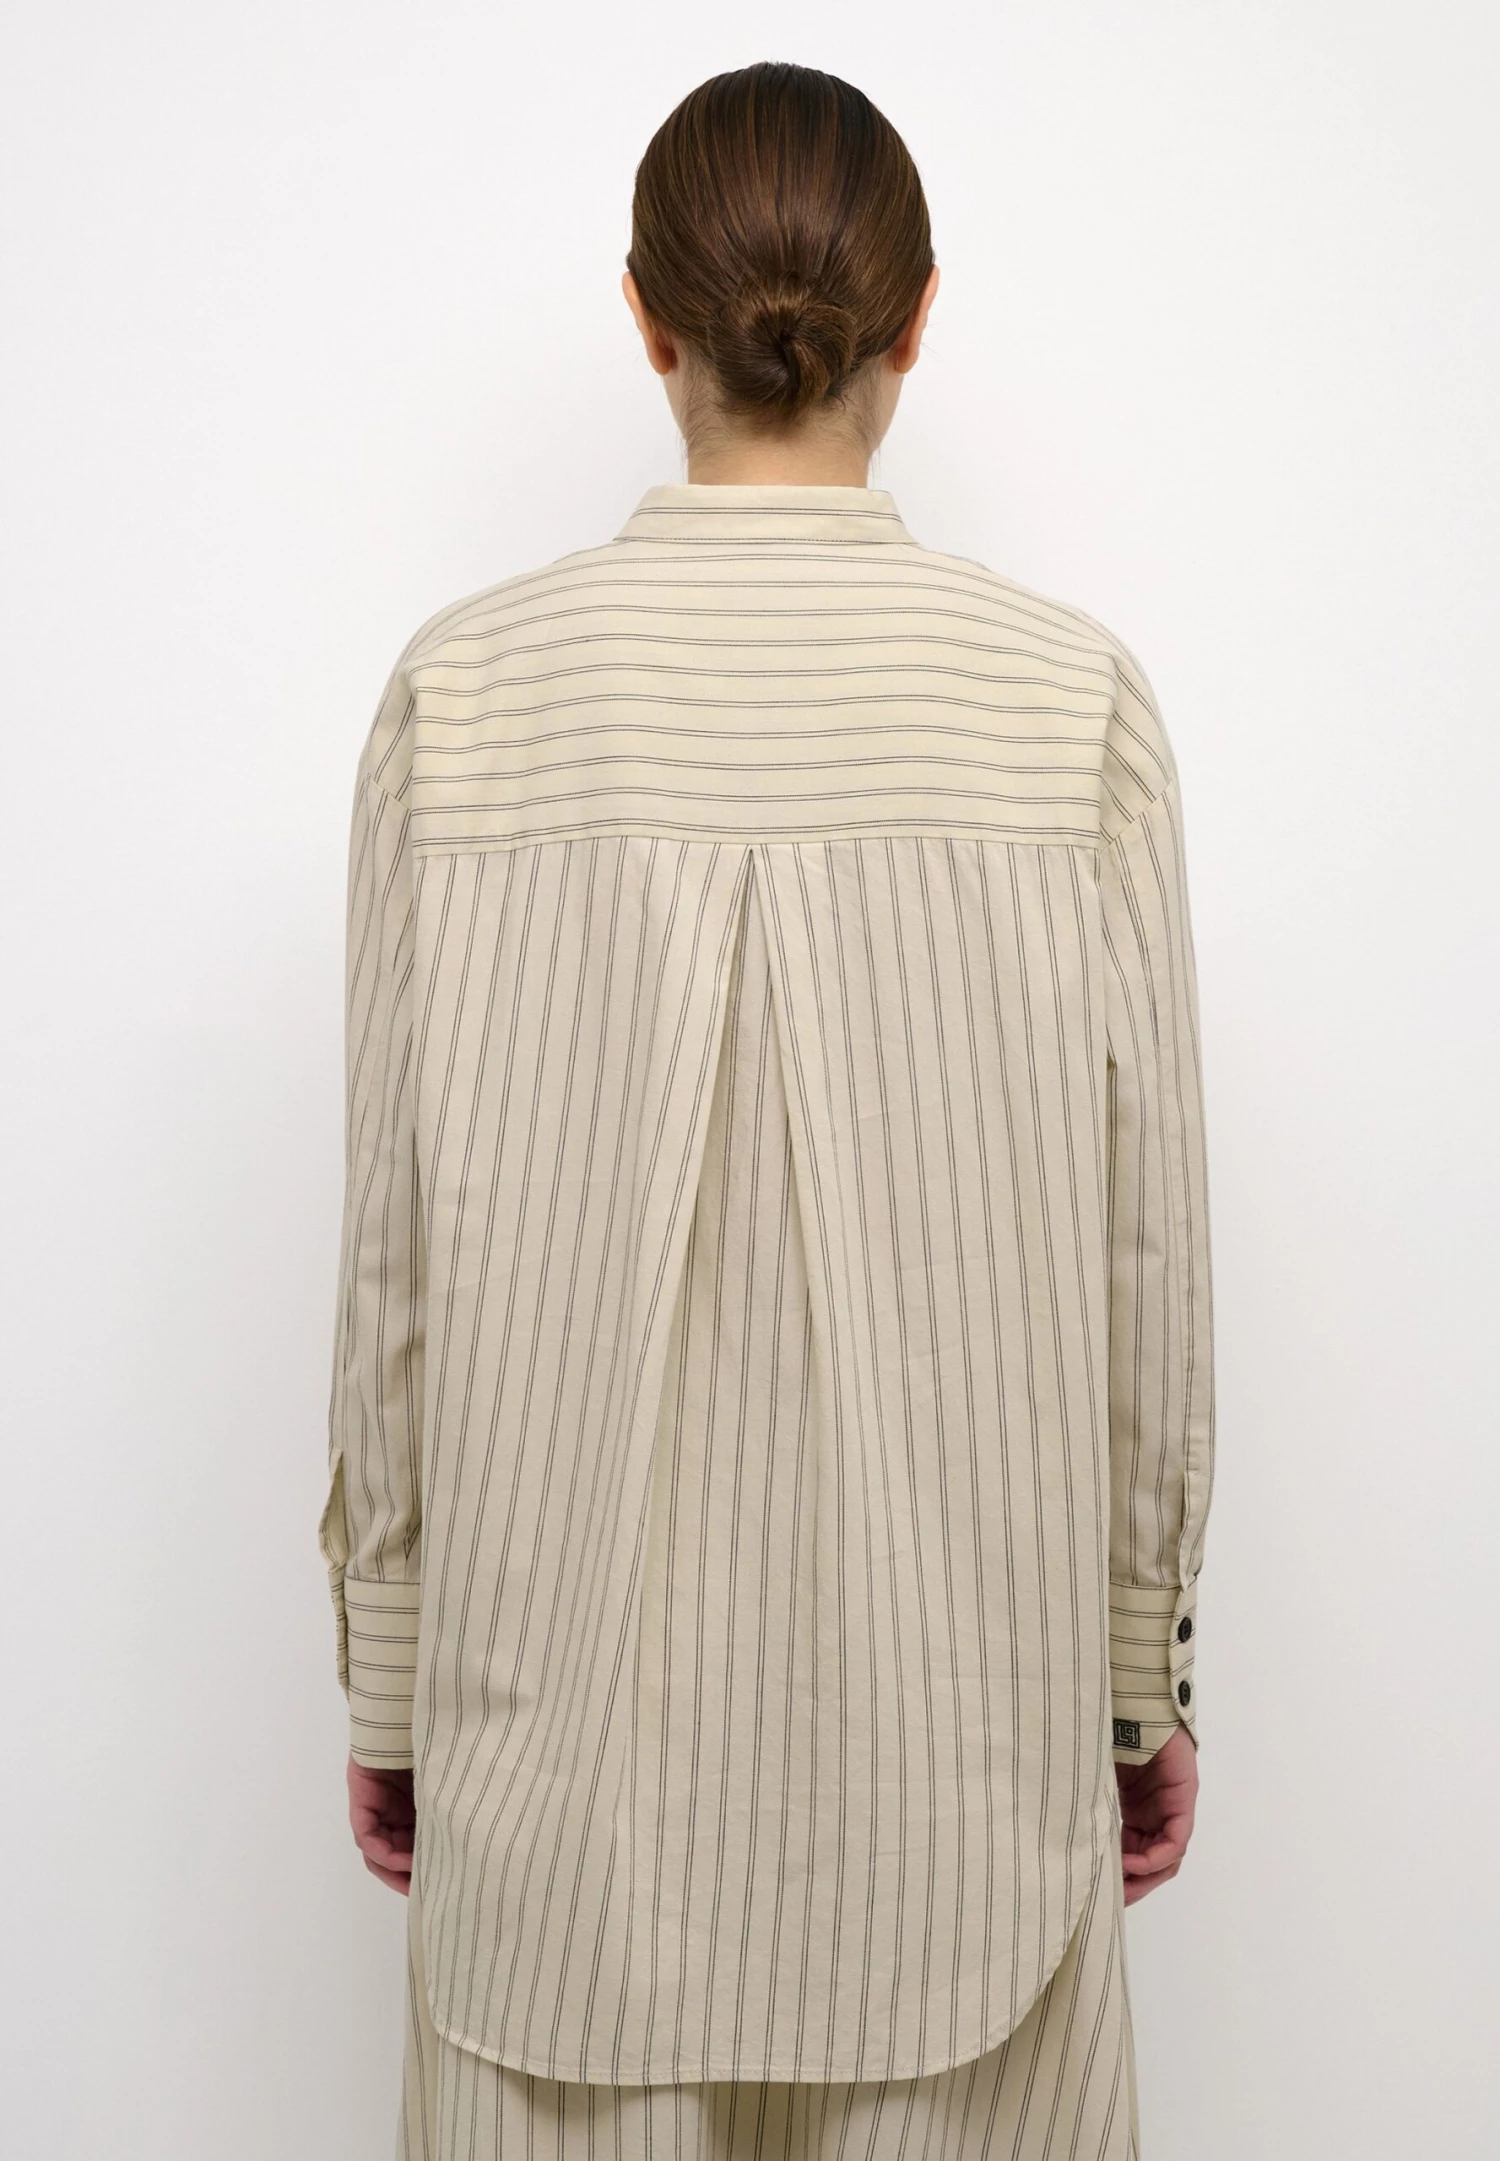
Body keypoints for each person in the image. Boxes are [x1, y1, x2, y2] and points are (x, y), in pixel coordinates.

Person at [320, 59, 1214, 2161]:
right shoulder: (1067, 708)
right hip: (965, 1827)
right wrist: (1134, 1672)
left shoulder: (464, 702)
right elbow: (1147, 1254)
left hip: (555, 1824)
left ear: (647, 319)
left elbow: (393, 1260)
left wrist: (390, 1667)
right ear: (920, 321)